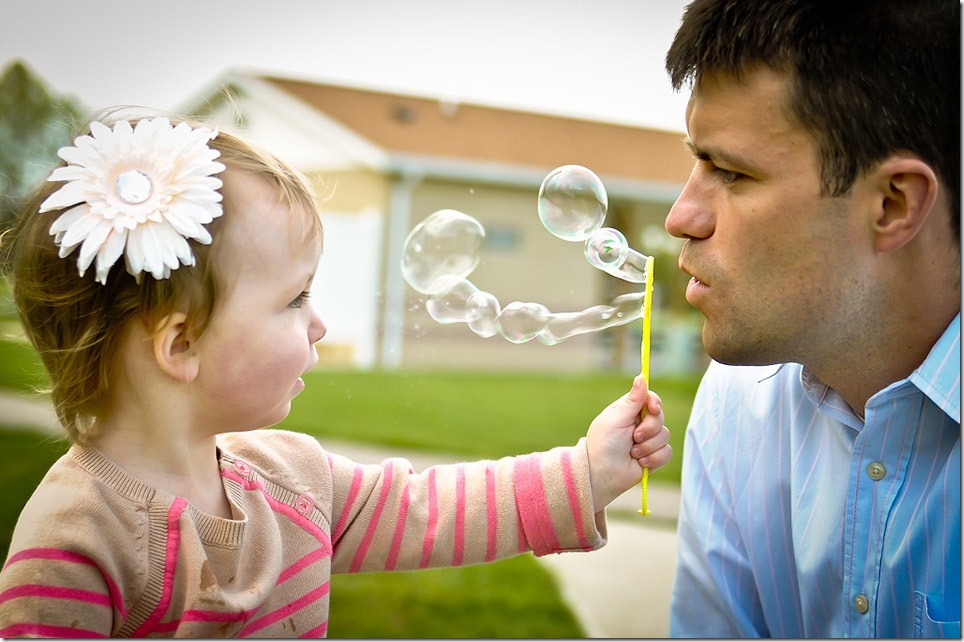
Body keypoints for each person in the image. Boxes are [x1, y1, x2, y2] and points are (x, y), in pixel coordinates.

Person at [0, 115, 671, 637]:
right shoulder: (73, 549)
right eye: (295, 300)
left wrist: (589, 471)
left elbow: (431, 512)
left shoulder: (291, 479)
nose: (318, 324)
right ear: (180, 344)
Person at [662, 0, 960, 638]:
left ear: (892, 204)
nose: (681, 217)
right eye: (696, 161)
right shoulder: (736, 408)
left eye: (731, 171)